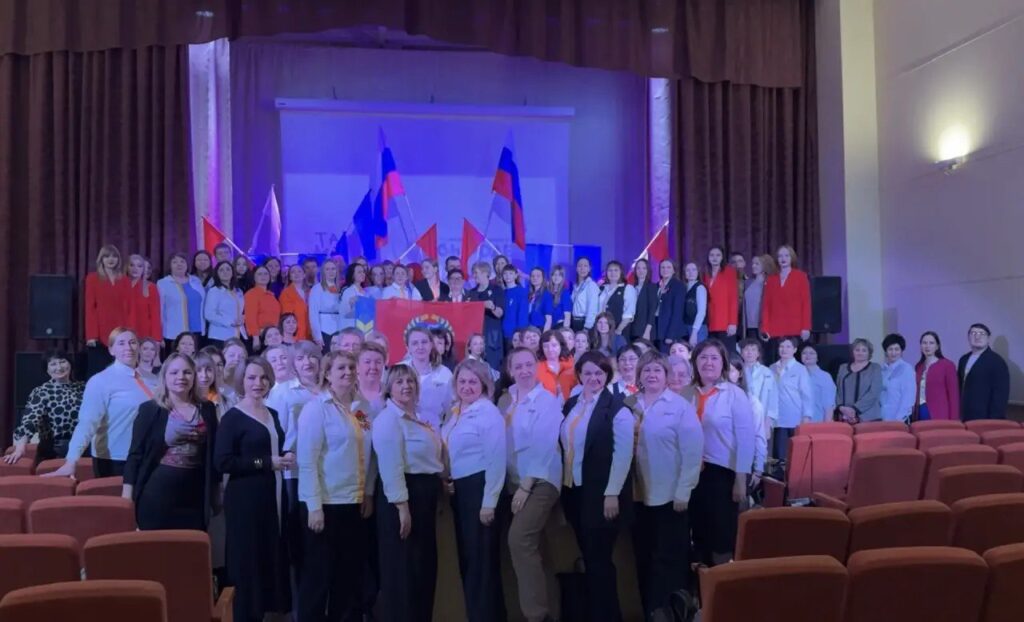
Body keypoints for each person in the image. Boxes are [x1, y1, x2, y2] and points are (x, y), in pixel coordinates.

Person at [297, 351, 376, 622]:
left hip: (354, 502)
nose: (348, 372)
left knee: (348, 577)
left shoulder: (362, 409)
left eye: (352, 367)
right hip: (326, 504)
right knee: (318, 578)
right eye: (341, 368)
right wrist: (314, 506)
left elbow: (369, 452)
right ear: (327, 374)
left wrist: (368, 492)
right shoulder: (316, 409)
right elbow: (307, 461)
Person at [215, 356, 293, 622]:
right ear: (242, 381)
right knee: (248, 559)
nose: (258, 383)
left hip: (272, 495)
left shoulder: (272, 414)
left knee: (268, 554)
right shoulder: (232, 418)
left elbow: (274, 448)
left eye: (263, 378)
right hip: (245, 499)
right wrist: (265, 463)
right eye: (251, 378)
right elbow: (223, 461)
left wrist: (286, 454)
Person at [560, 351, 635, 622]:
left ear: (607, 375)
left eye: (599, 373)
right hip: (575, 492)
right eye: (588, 373)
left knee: (599, 561)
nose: (593, 378)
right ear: (579, 375)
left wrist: (612, 493)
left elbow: (623, 456)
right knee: (590, 559)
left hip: (603, 495)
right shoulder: (571, 404)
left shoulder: (617, 408)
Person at [632, 352, 703, 616]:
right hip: (638, 494)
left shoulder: (680, 407)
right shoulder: (630, 404)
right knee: (644, 557)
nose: (652, 375)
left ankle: (670, 613)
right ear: (639, 375)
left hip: (671, 496)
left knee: (668, 559)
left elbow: (692, 452)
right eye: (647, 370)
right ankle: (649, 610)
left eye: (657, 371)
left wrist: (684, 490)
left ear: (666, 376)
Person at [372, 365, 444, 622]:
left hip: (424, 498)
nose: (406, 386)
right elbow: (391, 466)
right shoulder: (388, 419)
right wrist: (402, 507)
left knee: (422, 570)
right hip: (402, 499)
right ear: (389, 388)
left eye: (410, 381)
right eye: (399, 382)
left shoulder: (420, 418)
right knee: (403, 572)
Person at [43, 328, 157, 479]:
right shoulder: (101, 381)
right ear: (111, 350)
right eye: (121, 343)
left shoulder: (153, 379)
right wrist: (71, 460)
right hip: (114, 459)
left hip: (149, 456)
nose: (128, 348)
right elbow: (87, 423)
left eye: (132, 342)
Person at [442, 359, 507, 622]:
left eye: (473, 382)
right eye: (462, 381)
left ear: (484, 384)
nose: (466, 386)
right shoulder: (456, 411)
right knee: (470, 560)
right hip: (462, 491)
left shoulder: (488, 413)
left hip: (481, 490)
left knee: (482, 563)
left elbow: (496, 459)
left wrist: (489, 503)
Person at [679, 340, 754, 566]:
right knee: (698, 534)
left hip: (722, 474)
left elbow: (746, 439)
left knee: (721, 537)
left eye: (714, 358)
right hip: (691, 474)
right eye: (703, 357)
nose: (708, 362)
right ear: (694, 362)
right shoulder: (686, 393)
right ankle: (701, 584)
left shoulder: (734, 394)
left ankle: (722, 583)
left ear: (723, 363)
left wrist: (740, 479)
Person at [123, 353, 219, 530]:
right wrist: (127, 498)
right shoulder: (150, 409)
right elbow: (135, 455)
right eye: (174, 373)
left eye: (187, 372)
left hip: (195, 495)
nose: (181, 377)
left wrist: (215, 496)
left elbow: (213, 455)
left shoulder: (207, 409)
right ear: (164, 377)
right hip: (158, 493)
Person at [502, 348, 563, 622]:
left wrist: (526, 486)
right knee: (537, 549)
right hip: (515, 480)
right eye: (518, 366)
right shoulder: (507, 400)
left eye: (529, 365)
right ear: (510, 370)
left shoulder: (546, 400)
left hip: (540, 479)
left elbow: (544, 444)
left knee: (519, 539)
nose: (524, 371)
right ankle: (552, 612)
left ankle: (536, 617)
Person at [266, 340, 323, 588]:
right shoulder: (284, 392)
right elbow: (274, 432)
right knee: (300, 536)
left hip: (326, 472)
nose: (307, 362)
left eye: (311, 357)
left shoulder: (329, 389)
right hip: (296, 472)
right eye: (300, 358)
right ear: (293, 364)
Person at [5, 351, 84, 465]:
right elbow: (30, 421)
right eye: (53, 364)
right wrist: (20, 448)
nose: (59, 367)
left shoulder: (83, 388)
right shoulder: (42, 391)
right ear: (47, 370)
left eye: (62, 362)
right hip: (55, 450)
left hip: (85, 446)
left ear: (70, 364)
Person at [84, 245, 130, 375]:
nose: (111, 259)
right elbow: (90, 308)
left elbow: (127, 307)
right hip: (100, 332)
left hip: (120, 331)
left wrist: (128, 331)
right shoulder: (93, 278)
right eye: (107, 256)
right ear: (101, 259)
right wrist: (91, 335)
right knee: (98, 370)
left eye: (114, 256)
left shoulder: (124, 279)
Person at [770, 337, 813, 467]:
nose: (784, 350)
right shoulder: (772, 368)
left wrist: (807, 416)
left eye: (788, 347)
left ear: (794, 350)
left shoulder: (800, 369)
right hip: (776, 419)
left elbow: (807, 395)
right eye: (781, 346)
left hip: (795, 418)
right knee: (778, 458)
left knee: (795, 457)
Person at [728, 356, 768, 488]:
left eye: (731, 371)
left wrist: (758, 470)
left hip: (743, 465)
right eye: (723, 371)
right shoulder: (713, 399)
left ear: (740, 374)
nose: (726, 375)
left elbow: (759, 436)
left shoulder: (752, 402)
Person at [957, 323, 1010, 421]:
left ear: (988, 338)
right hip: (964, 414)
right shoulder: (963, 359)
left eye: (982, 333)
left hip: (985, 417)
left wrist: (994, 419)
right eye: (973, 333)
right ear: (968, 337)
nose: (977, 336)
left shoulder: (997, 361)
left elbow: (1000, 394)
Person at [403, 327, 453, 428]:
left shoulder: (445, 374)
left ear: (431, 345)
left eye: (424, 342)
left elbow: (451, 409)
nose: (420, 347)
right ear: (408, 348)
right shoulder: (399, 370)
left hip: (433, 431)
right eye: (415, 343)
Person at [761, 245, 812, 346]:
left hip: (796, 328)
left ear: (792, 258)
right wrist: (765, 328)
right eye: (780, 256)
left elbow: (806, 303)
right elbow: (766, 306)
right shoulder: (771, 279)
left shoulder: (801, 276)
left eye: (786, 255)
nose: (783, 258)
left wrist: (806, 327)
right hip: (774, 329)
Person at [157, 252, 206, 352]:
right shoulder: (163, 283)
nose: (179, 264)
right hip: (173, 333)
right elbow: (159, 310)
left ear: (187, 265)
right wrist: (159, 334)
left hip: (197, 331)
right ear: (170, 266)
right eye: (175, 262)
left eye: (182, 261)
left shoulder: (196, 281)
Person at [738, 340, 779, 444]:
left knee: (760, 449)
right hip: (741, 419)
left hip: (761, 419)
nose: (750, 353)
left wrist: (767, 423)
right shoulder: (736, 371)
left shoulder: (767, 372)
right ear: (741, 353)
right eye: (746, 349)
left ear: (758, 353)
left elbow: (773, 399)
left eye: (753, 350)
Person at [467, 261, 505, 370]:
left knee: (493, 368)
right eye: (473, 273)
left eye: (476, 273)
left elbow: (499, 314)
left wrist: (492, 307)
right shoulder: (471, 293)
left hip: (492, 337)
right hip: (476, 336)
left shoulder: (497, 290)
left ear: (485, 273)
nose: (474, 276)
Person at [835, 339, 883, 423]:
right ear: (852, 352)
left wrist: (855, 409)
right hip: (845, 416)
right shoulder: (843, 367)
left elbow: (874, 392)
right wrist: (841, 408)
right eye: (857, 350)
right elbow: (837, 390)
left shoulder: (875, 368)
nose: (860, 353)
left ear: (869, 353)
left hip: (869, 417)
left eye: (864, 350)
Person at [915, 331, 960, 421]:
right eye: (924, 343)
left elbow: (953, 395)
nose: (927, 346)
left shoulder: (947, 365)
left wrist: (954, 420)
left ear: (937, 346)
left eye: (931, 343)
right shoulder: (918, 367)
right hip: (919, 412)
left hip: (939, 413)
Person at [702, 246, 739, 353]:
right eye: (712, 255)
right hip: (709, 321)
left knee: (727, 353)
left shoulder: (729, 272)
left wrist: (733, 323)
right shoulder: (705, 273)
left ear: (722, 257)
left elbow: (733, 298)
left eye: (718, 255)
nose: (715, 258)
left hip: (725, 322)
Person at [205, 261, 245, 346]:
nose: (225, 272)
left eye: (228, 269)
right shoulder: (214, 291)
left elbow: (241, 311)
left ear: (232, 272)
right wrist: (230, 322)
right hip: (220, 335)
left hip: (238, 333)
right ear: (217, 274)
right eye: (221, 270)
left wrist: (242, 318)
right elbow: (209, 314)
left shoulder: (239, 291)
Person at [880, 334, 917, 423]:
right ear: (886, 351)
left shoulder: (907, 369)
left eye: (896, 349)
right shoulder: (883, 370)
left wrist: (899, 419)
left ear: (901, 351)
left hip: (899, 419)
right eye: (890, 349)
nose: (893, 353)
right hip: (882, 417)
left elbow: (908, 397)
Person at [244, 265, 282, 351]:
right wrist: (256, 337)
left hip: (273, 336)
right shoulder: (251, 294)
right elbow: (250, 317)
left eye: (266, 274)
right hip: (260, 337)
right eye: (259, 274)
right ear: (253, 277)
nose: (263, 276)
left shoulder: (271, 295)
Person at [309, 259, 344, 351]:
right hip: (324, 331)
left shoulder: (340, 289)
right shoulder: (317, 289)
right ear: (323, 272)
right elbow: (313, 314)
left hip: (339, 330)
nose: (331, 272)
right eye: (327, 269)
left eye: (333, 269)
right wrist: (317, 336)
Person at [125, 254, 162, 343]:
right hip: (123, 333)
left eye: (139, 266)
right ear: (127, 267)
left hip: (143, 334)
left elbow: (155, 315)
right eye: (132, 265)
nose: (135, 268)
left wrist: (156, 338)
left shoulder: (151, 288)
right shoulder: (120, 286)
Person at [653, 259, 685, 353]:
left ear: (673, 270)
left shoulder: (678, 286)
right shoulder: (656, 286)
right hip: (656, 331)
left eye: (668, 267)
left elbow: (677, 312)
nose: (665, 270)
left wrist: (670, 335)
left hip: (669, 332)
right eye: (662, 267)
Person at [799, 343, 837, 422]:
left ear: (817, 357)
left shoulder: (825, 377)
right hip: (796, 422)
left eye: (811, 353)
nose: (808, 355)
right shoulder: (796, 375)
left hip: (817, 421)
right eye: (804, 353)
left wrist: (827, 424)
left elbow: (828, 404)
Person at [598, 261, 637, 338]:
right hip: (601, 330)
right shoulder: (602, 288)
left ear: (621, 272)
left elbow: (629, 313)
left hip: (619, 330)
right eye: (610, 270)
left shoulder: (628, 288)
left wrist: (618, 330)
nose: (613, 273)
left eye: (616, 270)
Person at [743, 254, 775, 339]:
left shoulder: (771, 283)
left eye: (757, 264)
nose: (753, 266)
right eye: (753, 263)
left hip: (764, 327)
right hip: (748, 326)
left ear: (765, 265)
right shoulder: (747, 283)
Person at [628, 258, 658, 342]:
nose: (641, 271)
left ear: (648, 270)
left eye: (644, 268)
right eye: (638, 268)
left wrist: (647, 331)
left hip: (645, 331)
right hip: (632, 329)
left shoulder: (652, 287)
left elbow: (652, 310)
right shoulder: (632, 287)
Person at [501, 265, 529, 353]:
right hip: (502, 334)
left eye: (510, 273)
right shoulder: (502, 292)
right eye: (505, 274)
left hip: (514, 335)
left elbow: (523, 315)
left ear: (516, 275)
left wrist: (519, 334)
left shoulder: (521, 292)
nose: (508, 276)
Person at [281, 264, 313, 341]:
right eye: (293, 272)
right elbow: (287, 316)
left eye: (299, 271)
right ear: (290, 277)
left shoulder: (311, 292)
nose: (296, 274)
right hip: (296, 332)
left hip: (311, 332)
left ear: (304, 275)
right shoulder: (286, 293)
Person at [681, 262, 708, 347]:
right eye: (688, 270)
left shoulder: (700, 288)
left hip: (698, 328)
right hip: (685, 327)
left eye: (694, 270)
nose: (691, 272)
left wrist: (694, 333)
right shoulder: (684, 287)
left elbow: (701, 312)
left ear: (698, 272)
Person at [570, 257, 600, 332]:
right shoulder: (576, 286)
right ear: (576, 268)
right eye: (580, 266)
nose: (582, 268)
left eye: (585, 266)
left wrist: (587, 327)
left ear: (589, 269)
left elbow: (592, 308)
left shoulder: (591, 285)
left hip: (584, 323)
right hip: (574, 321)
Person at [357, 342, 388, 412]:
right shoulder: (347, 395)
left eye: (378, 362)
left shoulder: (392, 394)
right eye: (367, 362)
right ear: (357, 366)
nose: (373, 367)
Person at [340, 263, 370, 330]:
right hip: (353, 328)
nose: (362, 274)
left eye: (363, 272)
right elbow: (343, 313)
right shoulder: (348, 291)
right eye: (359, 272)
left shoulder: (367, 292)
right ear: (352, 275)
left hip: (366, 326)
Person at [548, 264, 573, 329]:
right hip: (547, 326)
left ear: (562, 277)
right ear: (551, 276)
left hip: (559, 326)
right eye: (554, 274)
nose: (556, 277)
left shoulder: (565, 293)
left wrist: (565, 331)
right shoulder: (547, 292)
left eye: (559, 275)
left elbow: (567, 316)